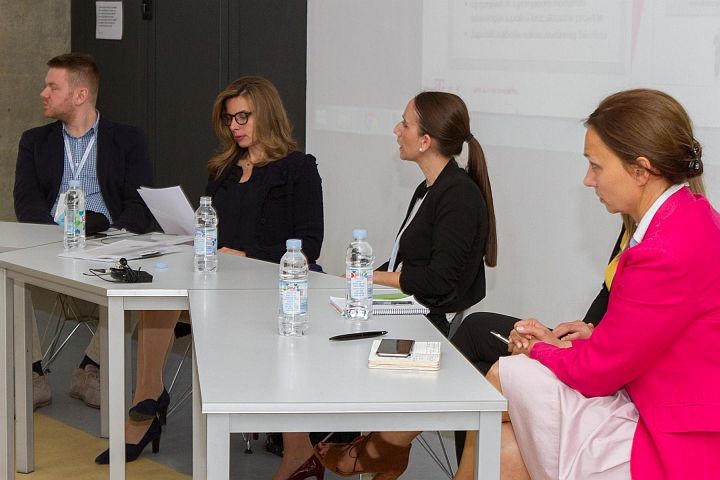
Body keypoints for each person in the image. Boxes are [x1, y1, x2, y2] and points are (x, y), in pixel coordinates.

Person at [457, 88, 720, 479]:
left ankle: (396, 449)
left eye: (596, 166)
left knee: (508, 374)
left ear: (641, 170)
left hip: (672, 443)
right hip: (670, 418)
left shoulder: (662, 251)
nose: (587, 179)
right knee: (507, 445)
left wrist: (541, 348)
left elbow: (598, 373)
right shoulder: (693, 216)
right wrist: (582, 340)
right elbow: (651, 339)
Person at [94, 75, 324, 463]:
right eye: (230, 119)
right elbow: (208, 230)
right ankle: (146, 401)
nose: (234, 126)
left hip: (271, 286)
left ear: (267, 114)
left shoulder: (298, 169)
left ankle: (298, 452)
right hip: (216, 281)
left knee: (178, 296)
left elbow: (309, 243)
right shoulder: (224, 170)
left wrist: (246, 255)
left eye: (243, 117)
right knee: (157, 293)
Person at [307, 91, 497, 480]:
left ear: (425, 141)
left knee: (338, 345)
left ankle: (378, 448)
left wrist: (374, 277)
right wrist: (359, 278)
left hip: (431, 325)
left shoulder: (458, 195)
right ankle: (375, 447)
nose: (397, 130)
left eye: (405, 124)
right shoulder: (430, 188)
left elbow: (439, 280)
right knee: (327, 322)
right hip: (410, 311)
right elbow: (406, 263)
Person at [13, 52, 153, 410]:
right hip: (49, 240)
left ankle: (92, 368)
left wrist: (113, 236)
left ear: (80, 94)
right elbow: (27, 202)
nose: (43, 93)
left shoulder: (129, 139)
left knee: (138, 278)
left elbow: (140, 204)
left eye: (52, 86)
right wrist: (53, 237)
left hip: (107, 241)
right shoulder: (34, 141)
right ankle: (31, 373)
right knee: (8, 275)